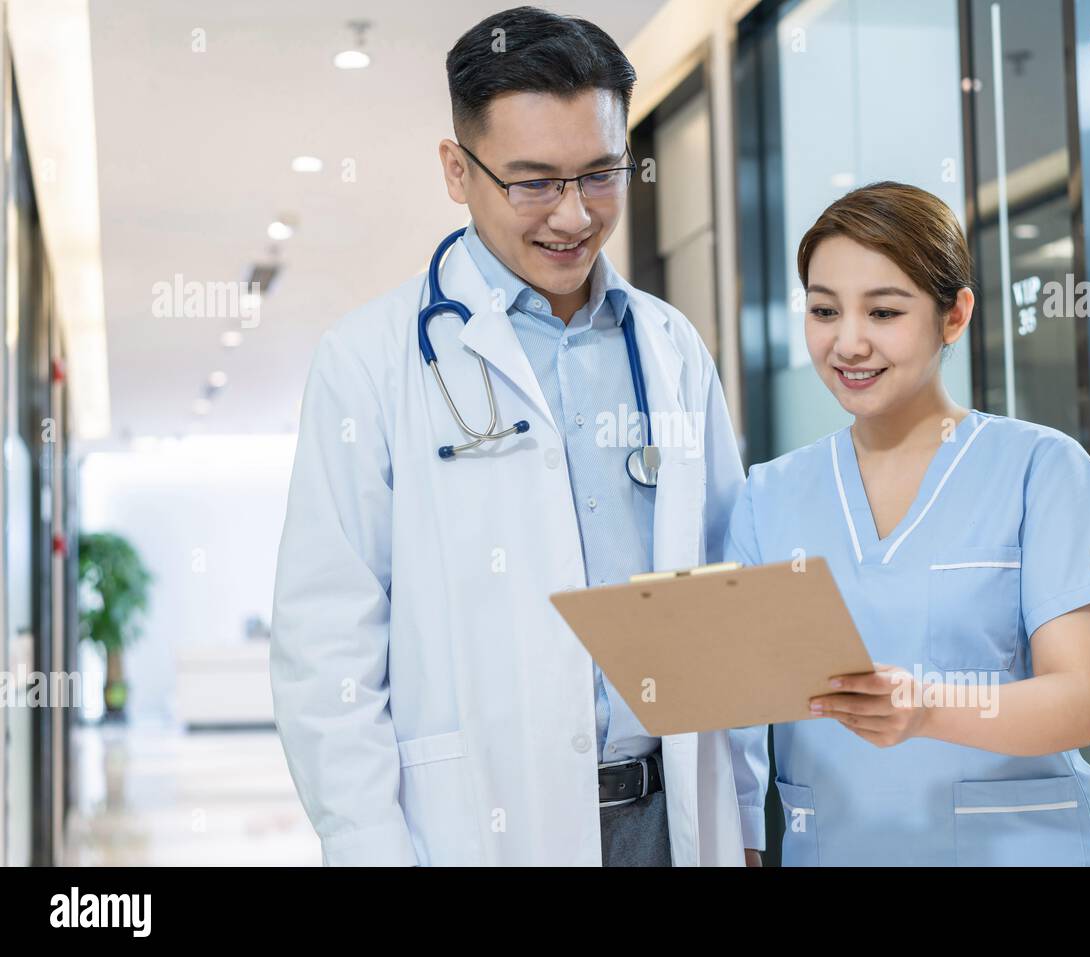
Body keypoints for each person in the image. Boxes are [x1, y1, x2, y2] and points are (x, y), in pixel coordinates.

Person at [271, 6, 745, 866]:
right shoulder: (369, 362)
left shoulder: (670, 347)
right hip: (477, 826)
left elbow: (724, 595)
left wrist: (741, 820)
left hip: (670, 820)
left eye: (601, 174)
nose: (573, 216)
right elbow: (326, 653)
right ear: (458, 169)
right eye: (534, 181)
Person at [726, 182, 1090, 866]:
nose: (848, 342)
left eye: (884, 311)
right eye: (823, 309)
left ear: (954, 315)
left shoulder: (1041, 470)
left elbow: (1077, 702)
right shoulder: (768, 495)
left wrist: (926, 707)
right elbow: (741, 705)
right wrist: (745, 842)